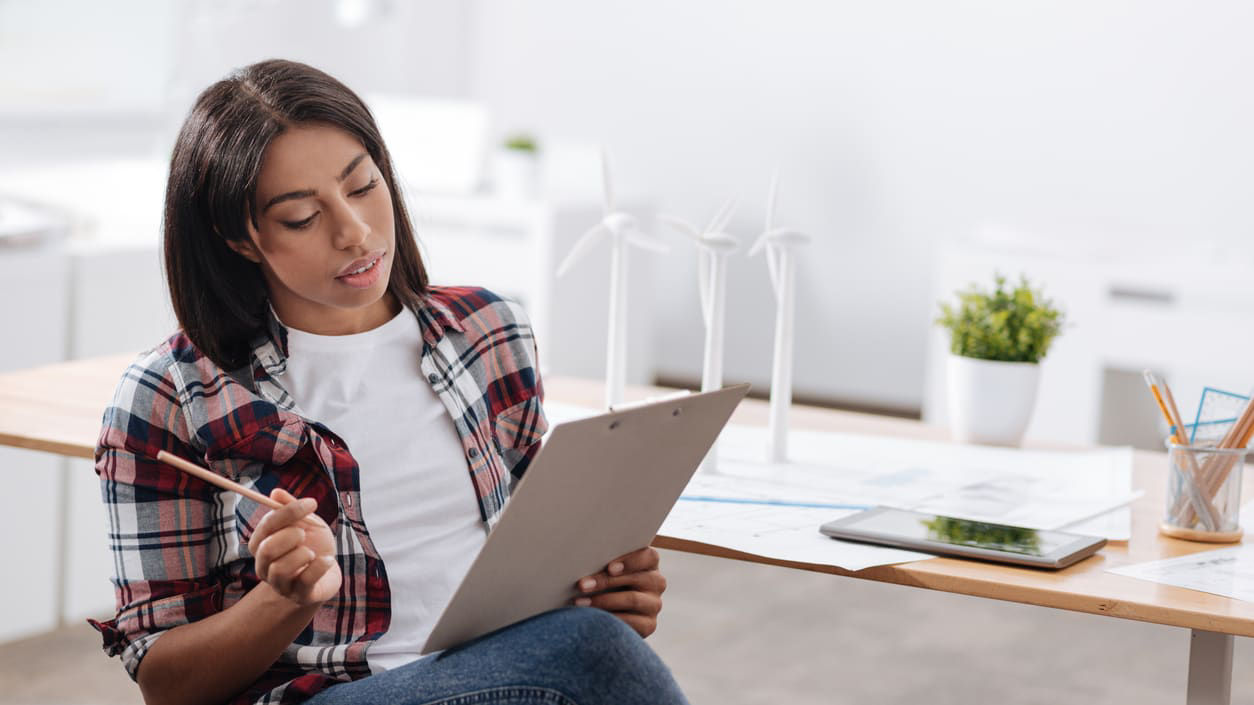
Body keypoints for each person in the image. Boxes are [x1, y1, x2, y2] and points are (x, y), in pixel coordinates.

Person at [90, 58, 687, 705]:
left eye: (363, 186)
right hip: (319, 693)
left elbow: (529, 550)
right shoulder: (167, 397)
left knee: (593, 640)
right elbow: (167, 685)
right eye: (301, 217)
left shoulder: (488, 330)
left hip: (489, 673)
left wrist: (602, 589)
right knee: (592, 654)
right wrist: (282, 601)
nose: (356, 232)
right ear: (238, 237)